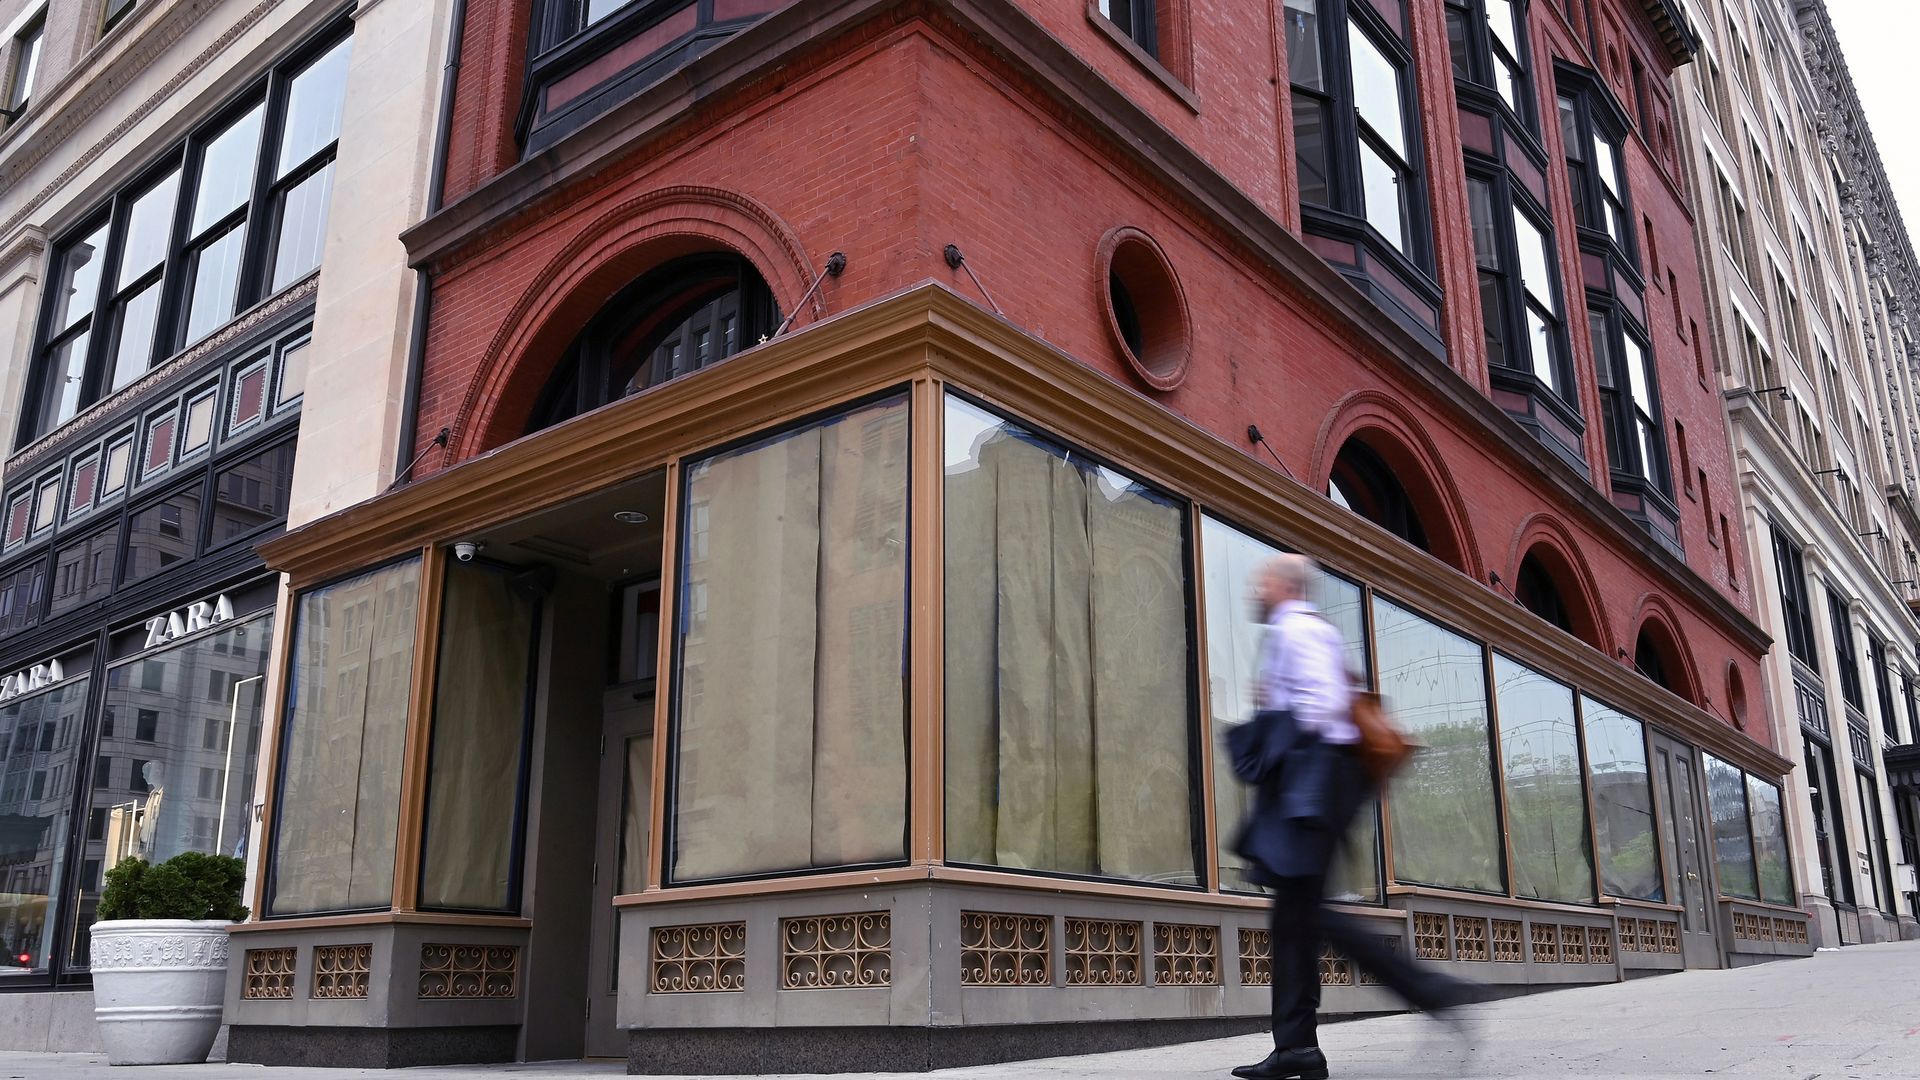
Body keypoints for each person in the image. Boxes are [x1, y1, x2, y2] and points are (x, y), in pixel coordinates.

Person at [1227, 554, 1471, 1080]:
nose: (1256, 588)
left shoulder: (1297, 630)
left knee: (1308, 912)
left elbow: (1322, 705)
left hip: (1314, 780)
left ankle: (1430, 989)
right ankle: (1296, 1047)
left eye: (1263, 580)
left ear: (1285, 587)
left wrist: (1275, 725)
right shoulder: (1296, 632)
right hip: (1317, 779)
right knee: (1293, 919)